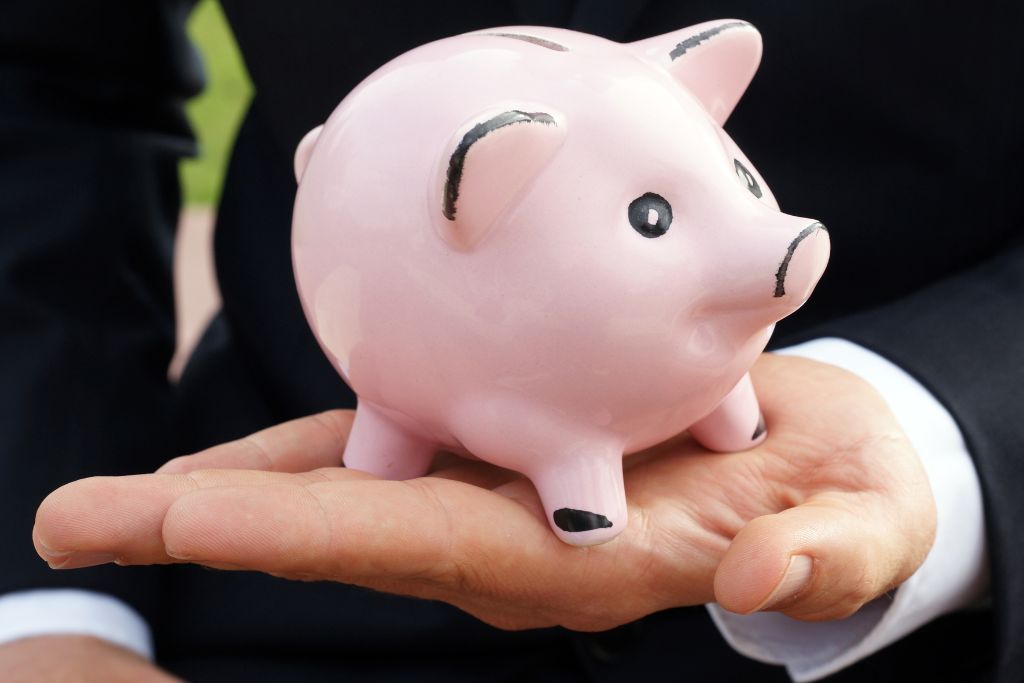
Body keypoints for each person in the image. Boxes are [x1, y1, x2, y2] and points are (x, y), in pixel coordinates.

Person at [2, 1, 1020, 681]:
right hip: (271, 606)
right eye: (657, 217)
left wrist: (945, 420)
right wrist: (47, 618)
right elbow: (48, 69)